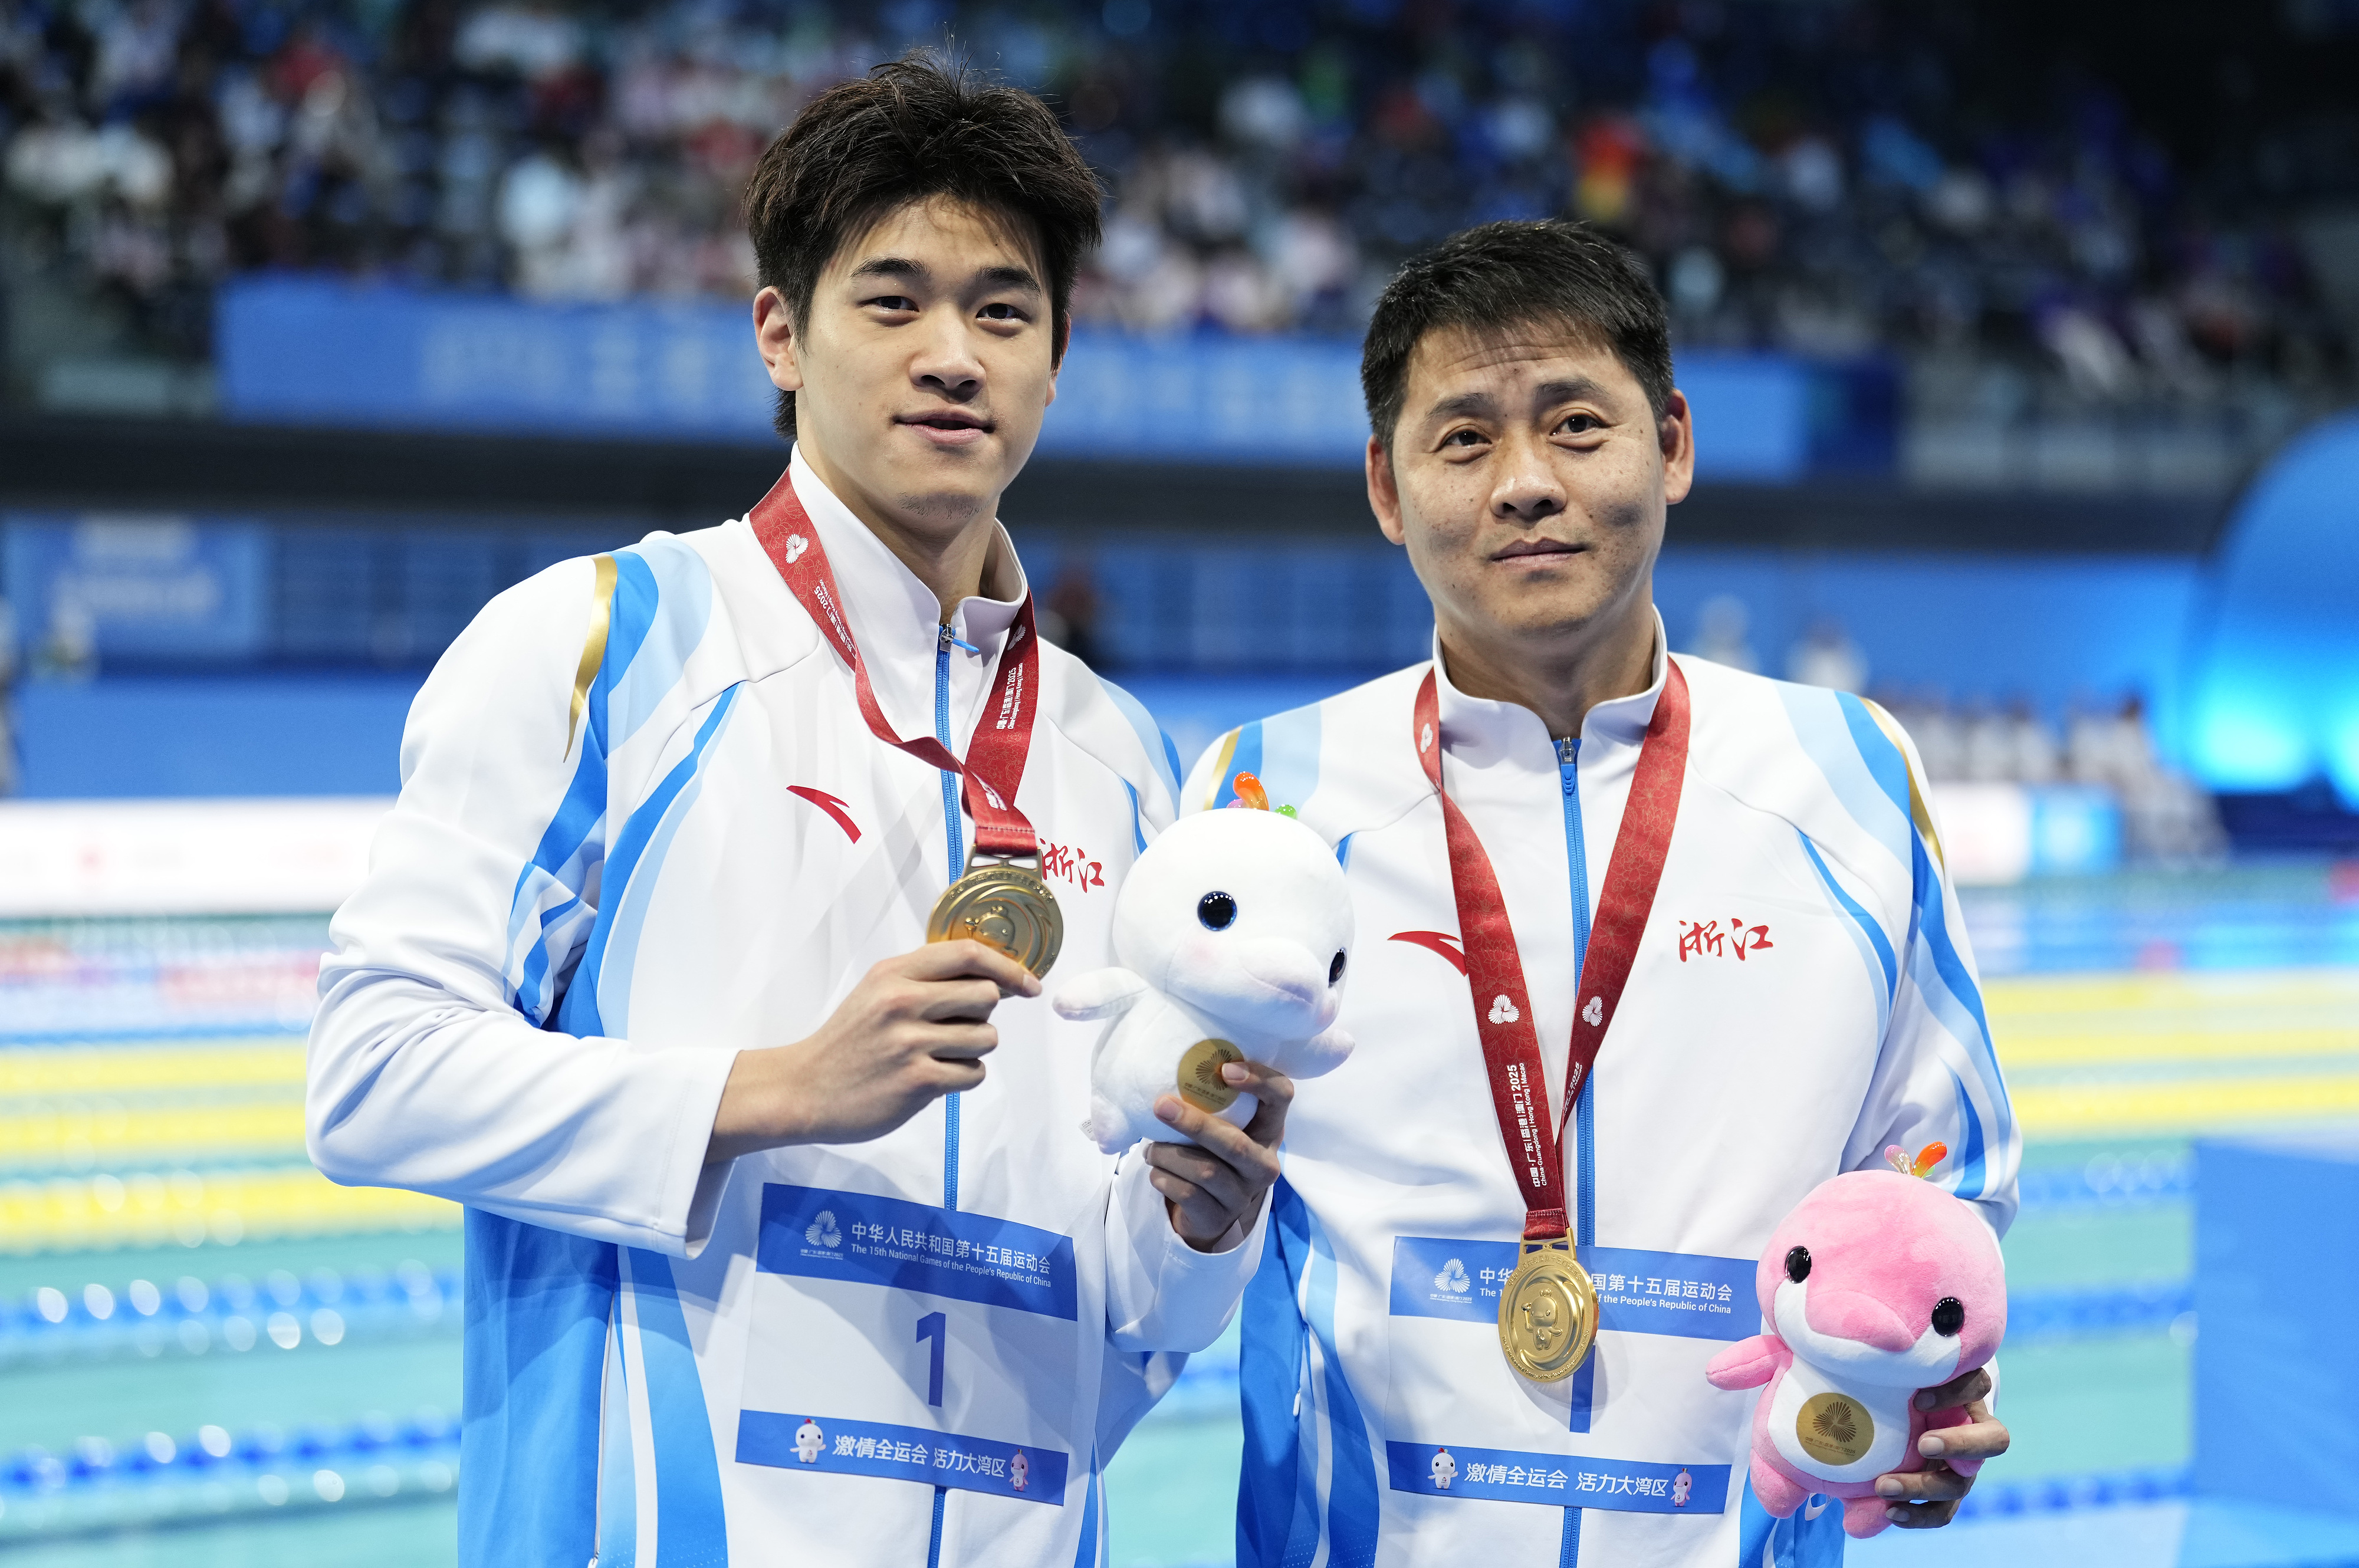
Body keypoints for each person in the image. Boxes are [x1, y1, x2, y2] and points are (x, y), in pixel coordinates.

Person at [307, 55, 1287, 1567]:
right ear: (780, 333)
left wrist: (1194, 1220)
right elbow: (370, 1075)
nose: (951, 354)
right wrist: (771, 1087)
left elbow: (1132, 1318)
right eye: (890, 301)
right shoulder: (605, 646)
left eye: (1002, 312)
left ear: (1057, 355)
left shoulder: (1120, 755)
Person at [1184, 219, 2019, 1567]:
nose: (1523, 483)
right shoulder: (1266, 790)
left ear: (1672, 444)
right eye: (1461, 439)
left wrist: (1925, 1389)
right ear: (1385, 490)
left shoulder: (1844, 772)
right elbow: (1168, 1202)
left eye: (1575, 424)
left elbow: (1943, 1180)